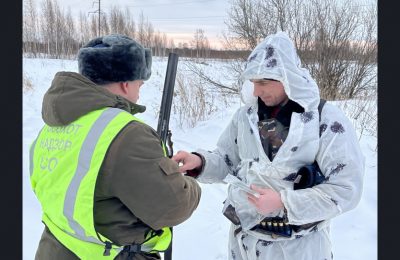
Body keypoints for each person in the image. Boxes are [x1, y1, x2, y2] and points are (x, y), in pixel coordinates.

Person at [172, 31, 364, 260]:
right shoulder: (247, 117)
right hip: (245, 244)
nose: (256, 91)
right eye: (253, 82)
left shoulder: (325, 120)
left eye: (263, 82)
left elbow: (346, 189)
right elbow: (228, 161)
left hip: (300, 249)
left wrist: (284, 202)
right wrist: (200, 162)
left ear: (287, 77)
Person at [29, 34, 201, 260]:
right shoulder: (126, 133)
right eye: (140, 83)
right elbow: (173, 206)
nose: (139, 91)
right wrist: (186, 181)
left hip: (54, 249)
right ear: (125, 83)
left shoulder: (53, 126)